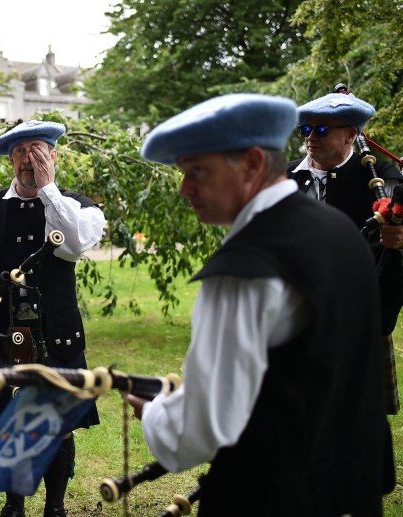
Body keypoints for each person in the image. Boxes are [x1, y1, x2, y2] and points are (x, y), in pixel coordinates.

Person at [127, 93, 393, 515]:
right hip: (346, 492)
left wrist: (156, 414)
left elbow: (204, 427)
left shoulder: (245, 269)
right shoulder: (339, 231)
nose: (184, 189)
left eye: (196, 171)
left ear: (252, 163)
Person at [0, 119, 106, 517]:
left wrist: (49, 191)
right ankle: (14, 504)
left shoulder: (79, 208)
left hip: (57, 331)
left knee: (59, 419)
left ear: (53, 155)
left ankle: (55, 506)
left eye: (36, 150)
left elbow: (73, 244)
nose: (27, 160)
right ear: (10, 162)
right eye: (19, 152)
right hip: (0, 332)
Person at [288, 90, 403, 415]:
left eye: (322, 129)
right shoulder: (282, 179)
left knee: (357, 429)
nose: (311, 137)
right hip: (291, 319)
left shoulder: (382, 179)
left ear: (352, 133)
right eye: (306, 129)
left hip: (358, 324)